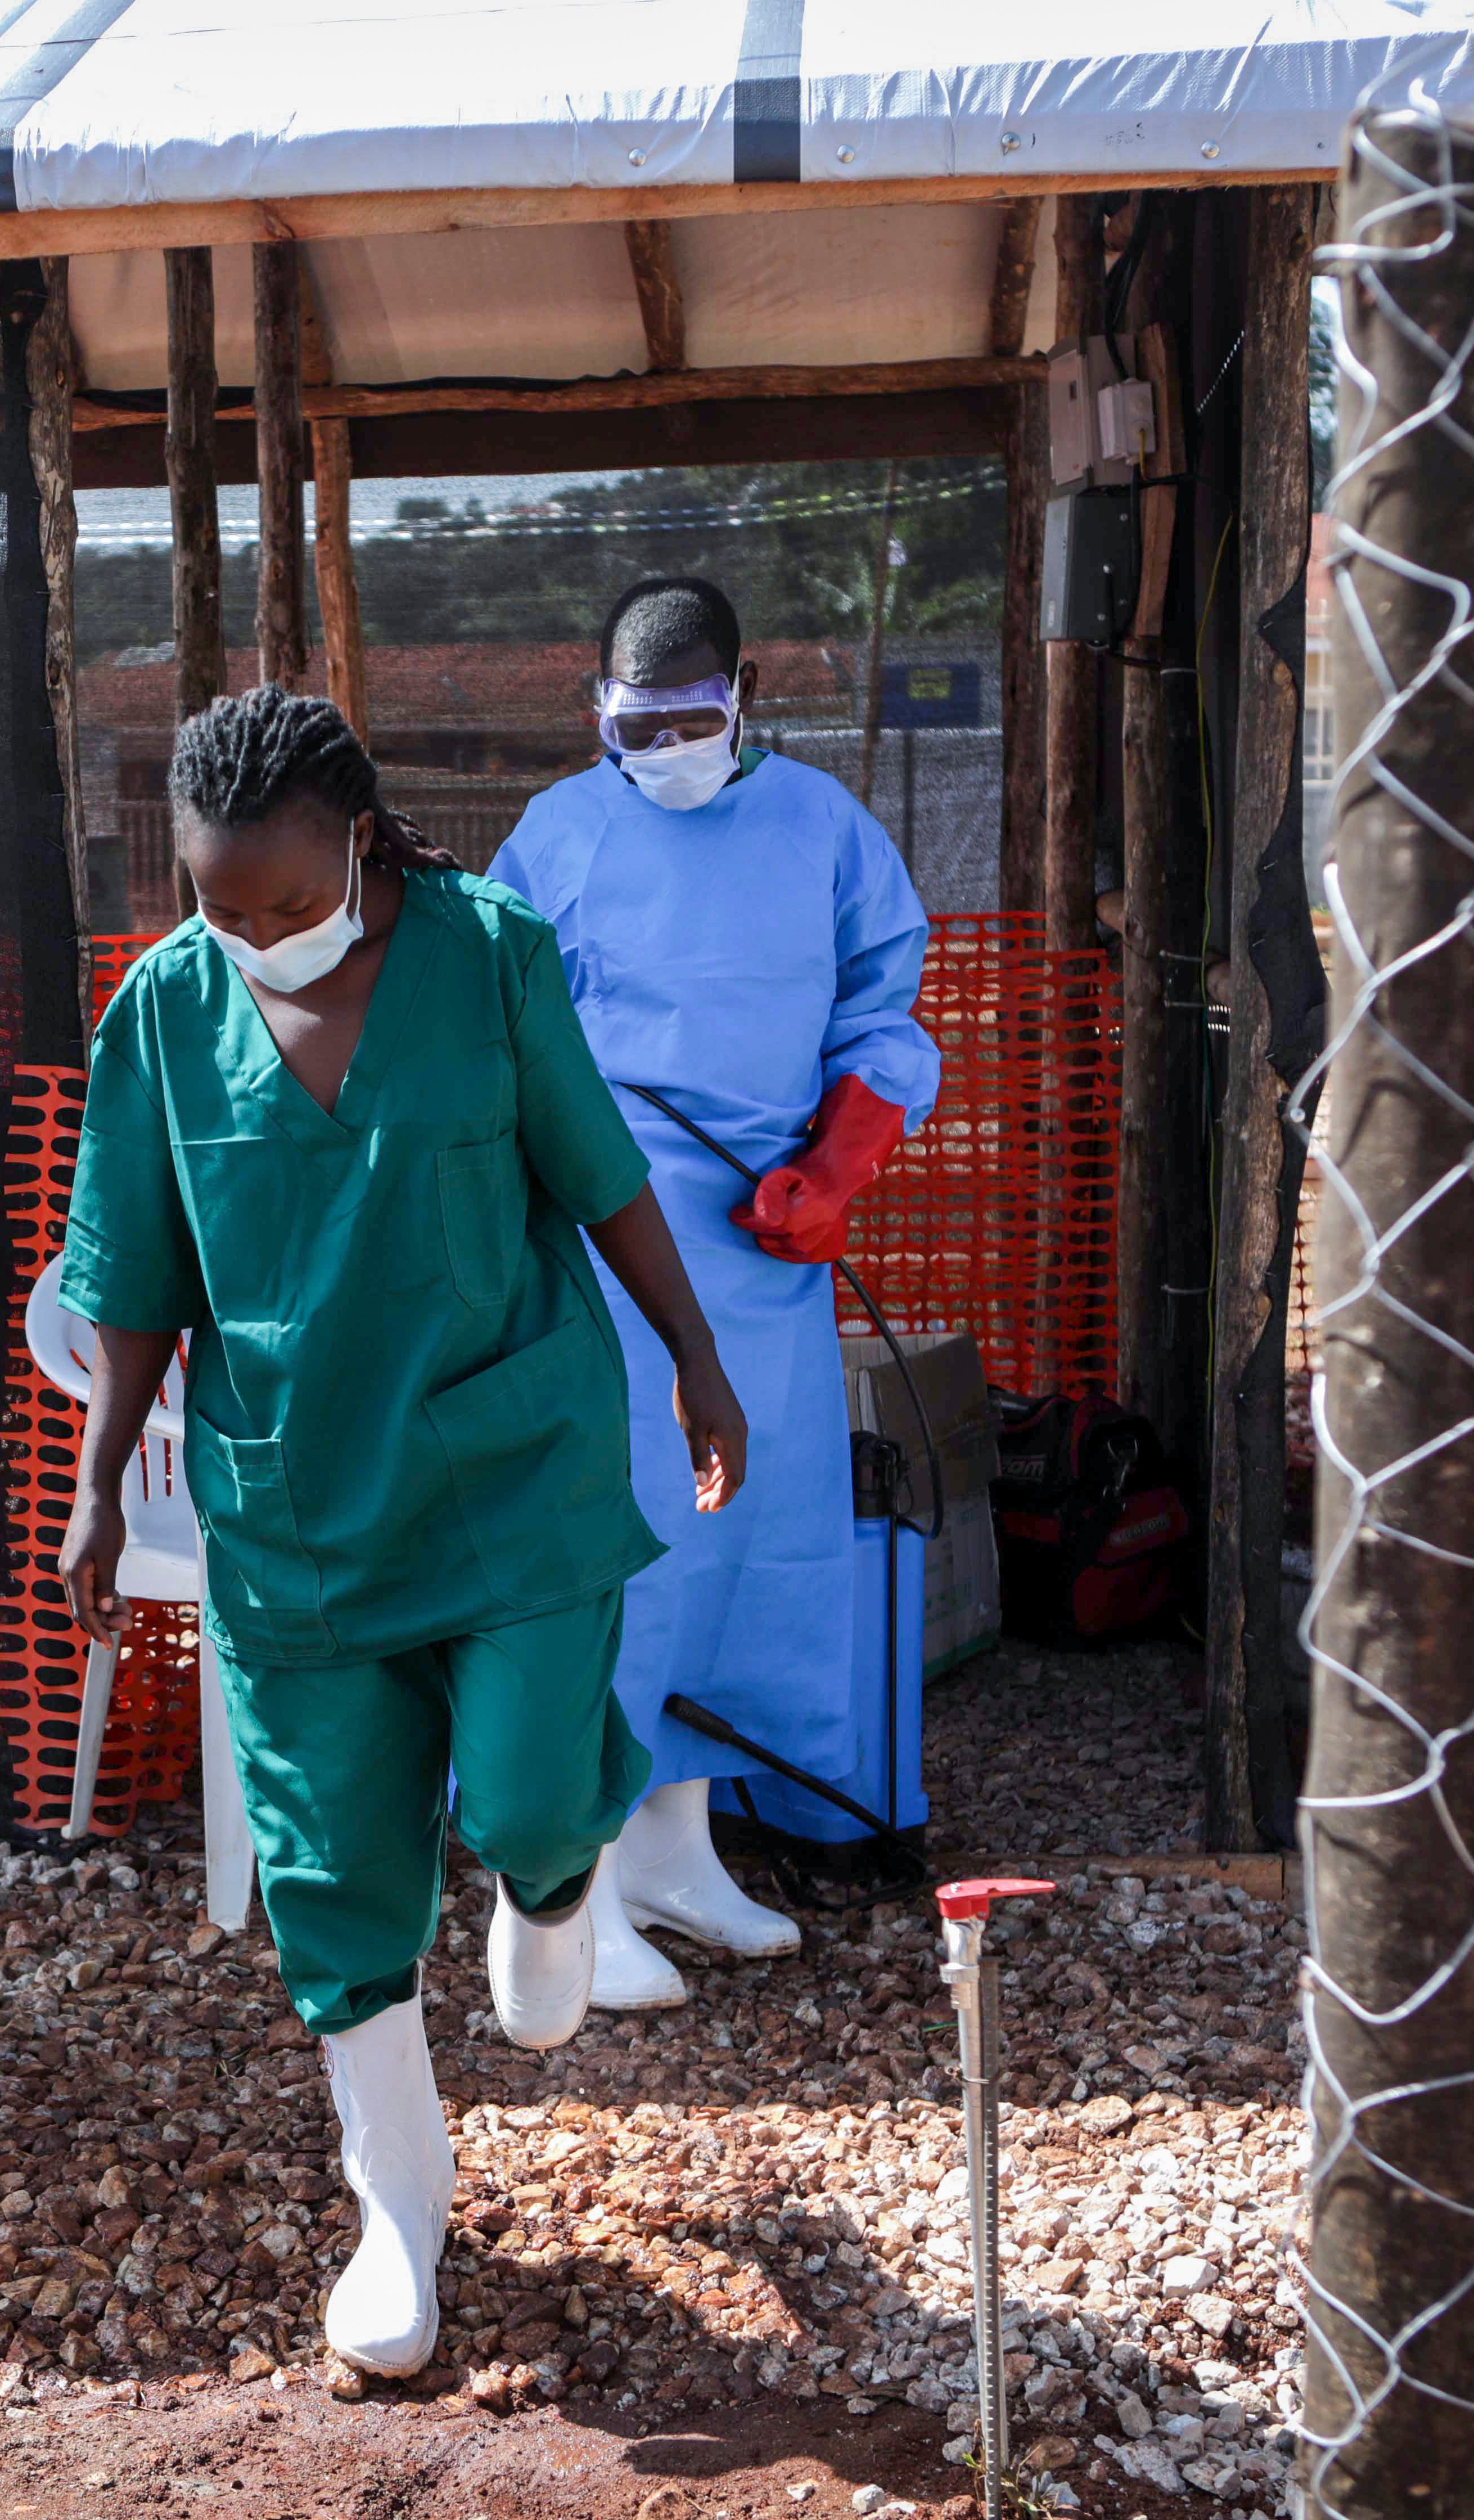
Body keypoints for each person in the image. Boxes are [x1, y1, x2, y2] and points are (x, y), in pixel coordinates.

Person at [56, 687, 746, 2375]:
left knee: (519, 1788)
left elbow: (595, 1173)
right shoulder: (158, 1013)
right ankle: (400, 2217)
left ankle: (559, 1870)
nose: (255, 938)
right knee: (333, 1878)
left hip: (512, 1463)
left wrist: (698, 1358)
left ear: (359, 842)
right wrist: (96, 1486)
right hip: (297, 1510)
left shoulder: (488, 950)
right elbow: (135, 1275)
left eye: (285, 905)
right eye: (220, 907)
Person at [486, 577, 939, 2014]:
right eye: (639, 725)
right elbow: (496, 1022)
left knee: (754, 1536)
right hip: (609, 1232)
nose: (667, 743)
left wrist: (846, 1151)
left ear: (746, 689)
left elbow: (884, 996)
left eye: (693, 716)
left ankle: (681, 1844)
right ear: (593, 712)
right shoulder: (556, 834)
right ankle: (588, 1877)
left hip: (768, 1228)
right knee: (620, 1540)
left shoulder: (821, 829)